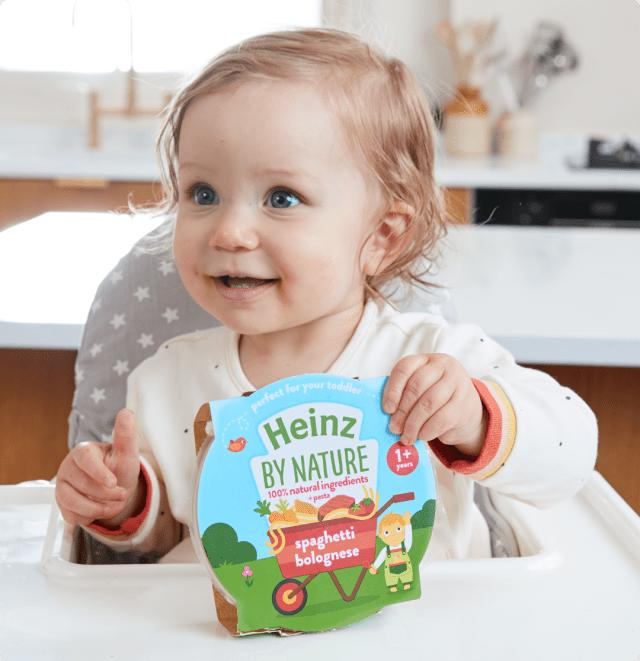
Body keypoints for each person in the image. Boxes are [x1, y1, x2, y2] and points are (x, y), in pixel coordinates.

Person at [54, 28, 598, 561]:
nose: (229, 232)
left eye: (282, 198)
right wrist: (123, 502)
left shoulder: (434, 360)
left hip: (434, 616)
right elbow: (166, 540)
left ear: (382, 236)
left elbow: (571, 455)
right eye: (203, 193)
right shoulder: (164, 382)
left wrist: (474, 419)